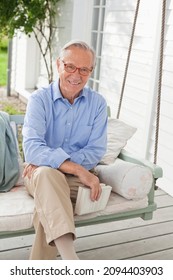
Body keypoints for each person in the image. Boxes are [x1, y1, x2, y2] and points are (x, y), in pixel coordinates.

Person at [22, 40, 108, 260]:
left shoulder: (97, 104)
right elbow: (32, 148)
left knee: (48, 184)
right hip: (41, 175)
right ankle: (72, 262)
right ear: (58, 64)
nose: (76, 75)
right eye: (70, 66)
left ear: (91, 71)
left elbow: (95, 149)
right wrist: (76, 168)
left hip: (73, 180)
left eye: (84, 69)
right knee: (45, 174)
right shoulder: (39, 101)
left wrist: (55, 163)